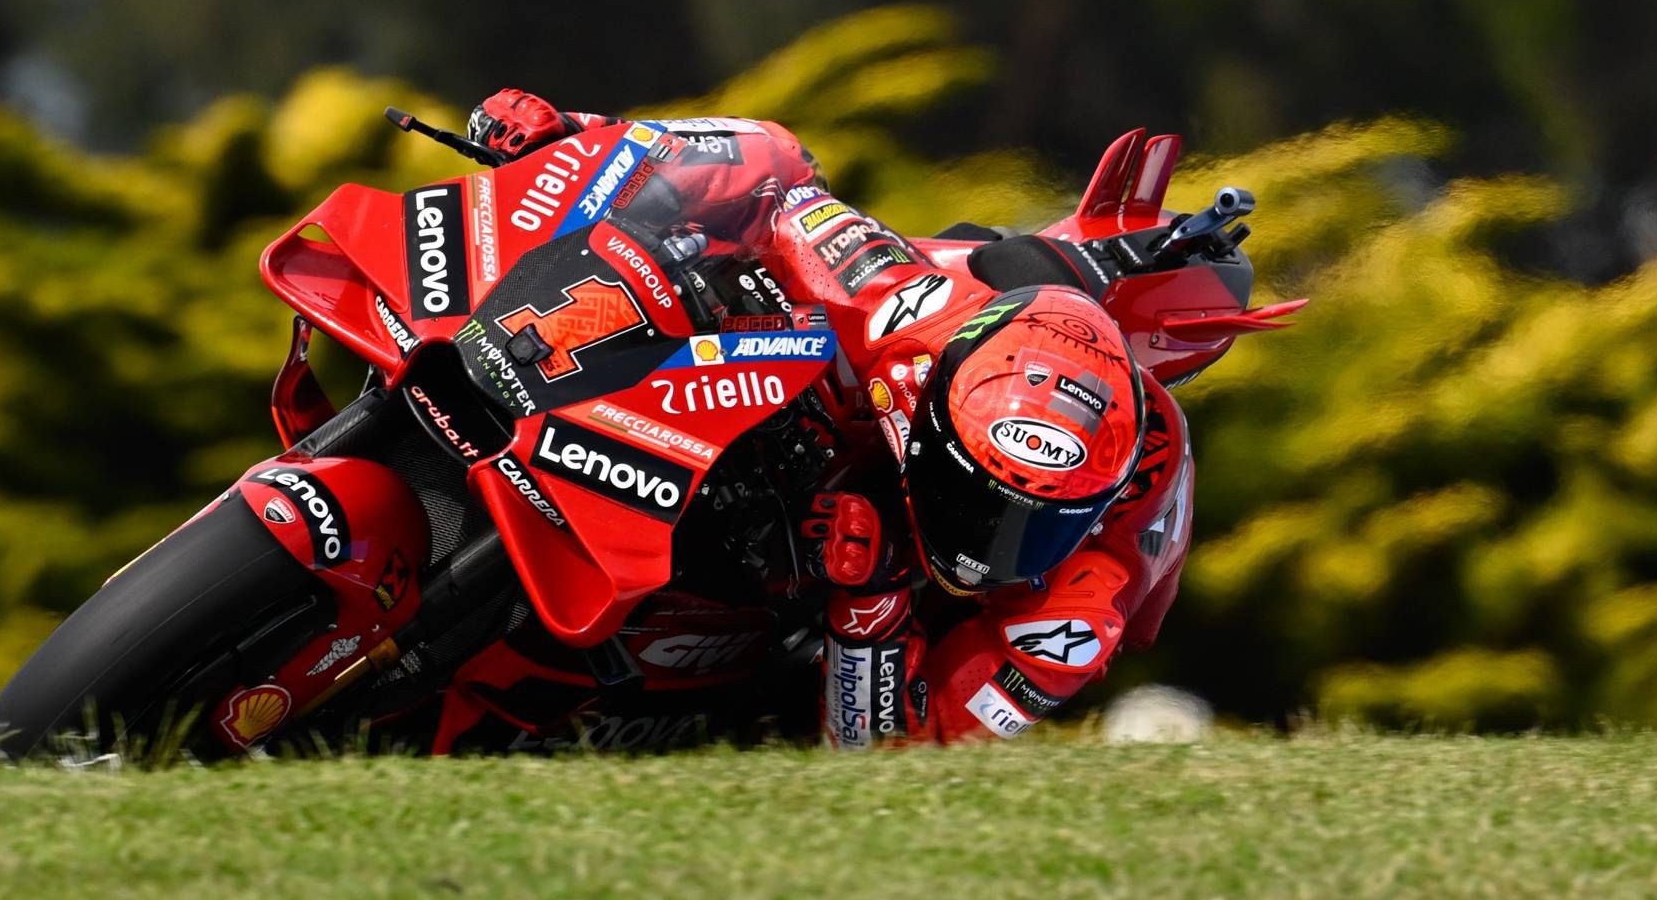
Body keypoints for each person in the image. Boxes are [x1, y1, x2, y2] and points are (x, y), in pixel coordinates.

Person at [448, 88, 1211, 748]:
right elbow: (778, 170)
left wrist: (872, 597)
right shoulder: (899, 313)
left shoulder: (1082, 600)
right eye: (973, 503)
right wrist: (576, 136)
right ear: (933, 416)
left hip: (856, 624)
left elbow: (904, 752)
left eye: (1027, 528)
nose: (983, 548)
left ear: (1092, 509)